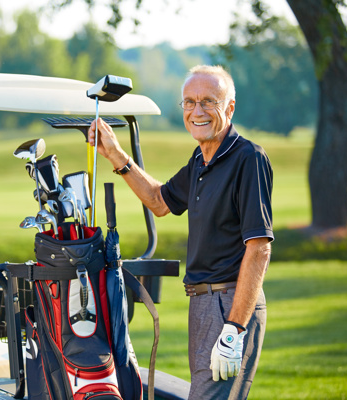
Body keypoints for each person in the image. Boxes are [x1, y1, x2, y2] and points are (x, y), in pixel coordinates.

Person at [88, 65, 273, 399]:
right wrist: (116, 154)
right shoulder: (200, 160)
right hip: (202, 303)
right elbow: (160, 201)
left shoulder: (248, 158)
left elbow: (259, 247)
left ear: (229, 108)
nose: (197, 111)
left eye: (208, 101)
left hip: (229, 305)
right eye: (189, 102)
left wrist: (234, 328)